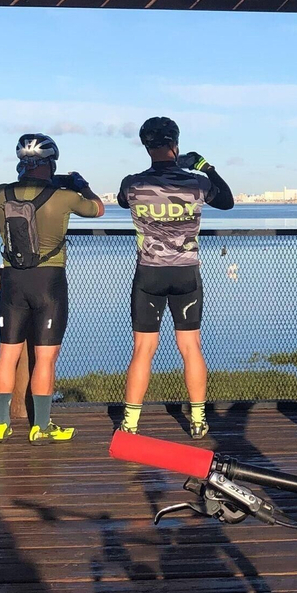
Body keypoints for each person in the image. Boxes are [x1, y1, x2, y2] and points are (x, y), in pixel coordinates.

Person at [116, 116, 234, 438]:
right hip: (186, 274)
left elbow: (120, 199)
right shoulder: (196, 183)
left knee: (142, 350)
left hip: (148, 274)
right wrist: (203, 166)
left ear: (145, 145)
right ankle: (197, 421)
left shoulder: (133, 183)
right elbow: (227, 201)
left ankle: (129, 425)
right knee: (191, 346)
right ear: (175, 143)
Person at [0, 133, 104, 444]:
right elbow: (97, 209)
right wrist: (80, 185)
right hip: (48, 282)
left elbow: (6, 196)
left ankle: (1, 423)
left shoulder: (0, 194)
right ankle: (40, 425)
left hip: (12, 280)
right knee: (45, 357)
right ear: (50, 163)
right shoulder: (63, 197)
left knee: (6, 354)